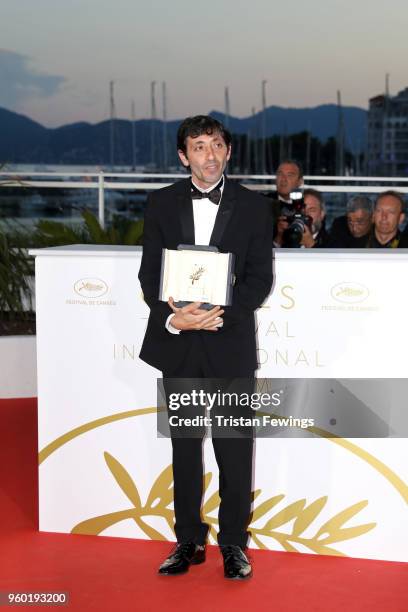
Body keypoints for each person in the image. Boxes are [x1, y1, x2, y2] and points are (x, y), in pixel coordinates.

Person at [138, 115, 273, 580]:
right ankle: (189, 541)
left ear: (228, 151)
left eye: (216, 145)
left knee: (234, 447)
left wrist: (219, 316)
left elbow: (260, 279)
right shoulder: (159, 203)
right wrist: (174, 318)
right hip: (179, 344)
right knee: (185, 448)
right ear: (183, 156)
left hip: (229, 342)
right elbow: (149, 275)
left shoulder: (254, 207)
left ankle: (234, 543)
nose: (209, 155)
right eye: (198, 147)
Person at [270, 160, 304, 245]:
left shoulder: (308, 205)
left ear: (300, 182)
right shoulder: (263, 203)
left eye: (289, 175)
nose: (283, 179)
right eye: (280, 174)